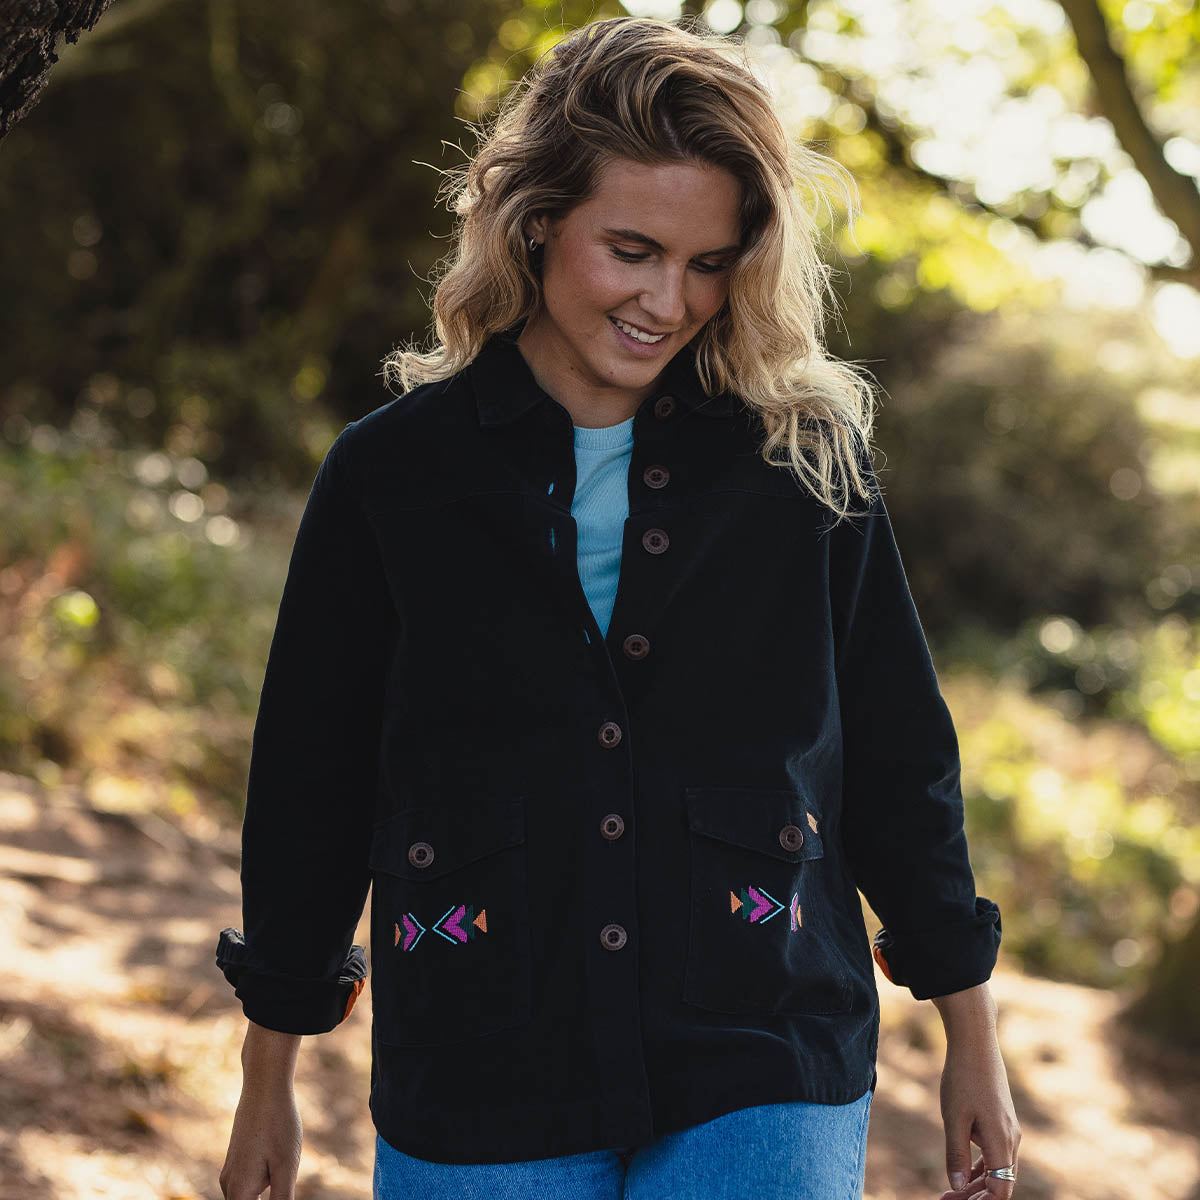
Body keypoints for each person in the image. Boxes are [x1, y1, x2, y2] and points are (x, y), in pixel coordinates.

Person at [215, 14, 1020, 1200]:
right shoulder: (392, 475)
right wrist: (268, 1071)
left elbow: (901, 757)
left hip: (766, 1037)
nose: (668, 300)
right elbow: (312, 782)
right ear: (536, 221)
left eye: (709, 263)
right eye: (632, 250)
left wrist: (971, 1033)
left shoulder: (803, 467)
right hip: (481, 1050)